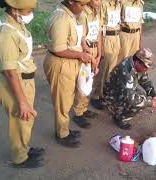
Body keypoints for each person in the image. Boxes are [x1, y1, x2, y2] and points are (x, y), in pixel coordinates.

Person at [0, 0, 44, 168]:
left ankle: (24, 149)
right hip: (15, 83)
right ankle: (20, 158)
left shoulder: (15, 23)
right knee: (20, 121)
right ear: (14, 9)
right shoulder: (6, 33)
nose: (30, 14)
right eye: (28, 10)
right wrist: (22, 102)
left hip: (24, 80)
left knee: (25, 122)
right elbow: (9, 71)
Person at [43, 0, 96, 148]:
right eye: (82, 4)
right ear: (71, 1)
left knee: (68, 97)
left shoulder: (72, 14)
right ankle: (62, 134)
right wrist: (81, 56)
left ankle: (64, 129)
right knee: (62, 102)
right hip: (61, 63)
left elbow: (77, 39)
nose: (84, 7)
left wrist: (84, 50)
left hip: (71, 61)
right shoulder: (60, 18)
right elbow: (58, 49)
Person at [104, 48, 156, 130]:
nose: (147, 69)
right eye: (146, 66)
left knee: (142, 96)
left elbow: (145, 80)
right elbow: (132, 99)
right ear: (137, 62)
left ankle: (120, 110)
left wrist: (153, 95)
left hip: (123, 90)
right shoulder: (126, 72)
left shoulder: (136, 64)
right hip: (113, 95)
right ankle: (120, 118)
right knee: (139, 102)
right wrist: (151, 103)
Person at [72, 0, 102, 129]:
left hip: (95, 50)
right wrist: (88, 54)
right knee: (82, 80)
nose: (100, 2)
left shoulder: (97, 12)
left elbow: (99, 35)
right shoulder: (83, 14)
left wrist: (99, 54)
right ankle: (78, 113)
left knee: (90, 79)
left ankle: (84, 108)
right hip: (86, 51)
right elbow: (81, 38)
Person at [90, 0, 122, 110]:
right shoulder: (103, 4)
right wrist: (101, 48)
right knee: (102, 70)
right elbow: (99, 26)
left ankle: (104, 93)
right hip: (106, 38)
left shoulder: (118, 3)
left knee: (111, 69)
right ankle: (95, 95)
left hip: (116, 37)